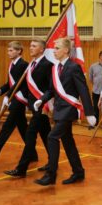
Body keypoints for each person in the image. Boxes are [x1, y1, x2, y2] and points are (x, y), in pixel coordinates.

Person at [34, 38, 96, 186]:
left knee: (52, 137)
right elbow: (51, 90)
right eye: (54, 48)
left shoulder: (74, 67)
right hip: (59, 110)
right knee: (68, 142)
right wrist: (41, 99)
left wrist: (89, 112)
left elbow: (83, 89)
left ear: (66, 50)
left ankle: (51, 175)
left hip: (69, 110)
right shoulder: (55, 68)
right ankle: (78, 172)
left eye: (57, 48)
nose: (54, 50)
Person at [4, 39, 53, 177]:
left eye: (34, 46)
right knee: (46, 135)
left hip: (42, 107)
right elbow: (23, 85)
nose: (30, 48)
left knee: (30, 135)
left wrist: (43, 101)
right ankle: (53, 162)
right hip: (33, 106)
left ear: (42, 49)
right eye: (30, 46)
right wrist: (8, 95)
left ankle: (21, 169)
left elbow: (51, 88)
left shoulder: (48, 65)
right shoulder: (32, 64)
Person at [0, 41, 38, 161]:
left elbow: (19, 84)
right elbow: (10, 83)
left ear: (19, 51)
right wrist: (0, 90)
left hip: (19, 99)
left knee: (5, 129)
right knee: (23, 128)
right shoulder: (12, 64)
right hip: (13, 98)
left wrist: (7, 96)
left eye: (12, 50)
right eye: (8, 50)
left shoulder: (23, 65)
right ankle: (33, 155)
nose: (9, 52)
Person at [89, 50, 102, 128]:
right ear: (101, 57)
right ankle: (95, 124)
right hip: (96, 91)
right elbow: (90, 78)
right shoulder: (93, 66)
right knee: (95, 108)